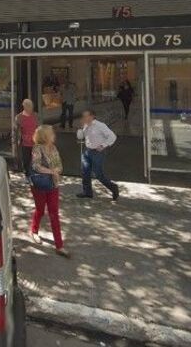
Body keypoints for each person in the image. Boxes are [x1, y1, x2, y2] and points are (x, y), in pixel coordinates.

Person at [30, 125, 68, 257]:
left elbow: (60, 165)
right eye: (51, 133)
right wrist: (52, 171)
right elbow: (36, 166)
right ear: (45, 136)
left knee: (54, 214)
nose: (54, 135)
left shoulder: (54, 148)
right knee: (40, 210)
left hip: (53, 185)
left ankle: (59, 246)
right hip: (39, 185)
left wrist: (57, 170)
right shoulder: (37, 148)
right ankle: (34, 231)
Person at [76, 109, 120, 201]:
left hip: (97, 152)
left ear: (92, 116)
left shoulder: (100, 125)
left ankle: (113, 187)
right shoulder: (86, 125)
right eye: (83, 116)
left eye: (86, 116)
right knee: (85, 172)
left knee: (98, 174)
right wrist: (81, 130)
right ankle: (87, 192)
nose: (84, 118)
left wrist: (103, 145)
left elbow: (112, 136)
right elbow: (81, 137)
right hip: (87, 151)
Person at [15, 99, 39, 175]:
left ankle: (34, 175)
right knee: (26, 161)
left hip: (35, 142)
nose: (31, 108)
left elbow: (39, 128)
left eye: (31, 106)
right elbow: (17, 131)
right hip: (25, 143)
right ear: (24, 106)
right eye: (29, 106)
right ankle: (27, 174)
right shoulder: (19, 117)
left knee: (35, 160)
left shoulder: (35, 115)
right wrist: (17, 142)